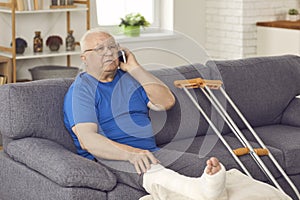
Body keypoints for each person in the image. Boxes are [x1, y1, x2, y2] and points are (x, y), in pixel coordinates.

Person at [63, 29, 291, 200]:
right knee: (162, 174)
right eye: (100, 49)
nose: (108, 53)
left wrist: (134, 68)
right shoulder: (82, 89)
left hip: (152, 153)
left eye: (112, 46)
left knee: (213, 171)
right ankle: (203, 191)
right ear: (84, 57)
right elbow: (88, 139)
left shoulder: (131, 78)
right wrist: (131, 155)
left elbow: (166, 101)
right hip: (112, 157)